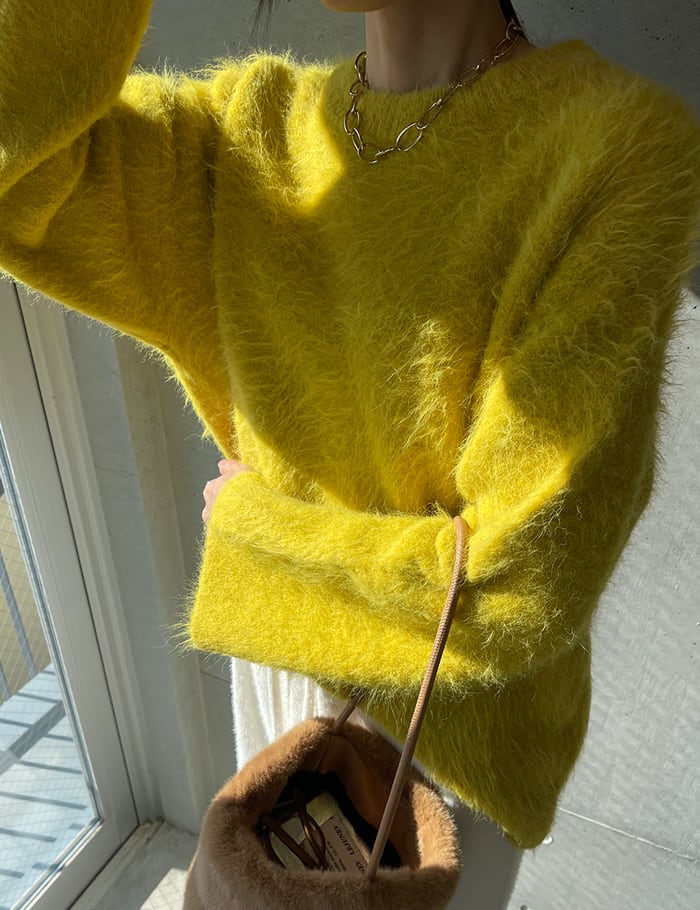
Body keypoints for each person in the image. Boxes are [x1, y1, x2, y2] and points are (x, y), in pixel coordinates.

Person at [1, 0, 698, 907]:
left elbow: (518, 584)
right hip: (281, 666)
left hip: (451, 738)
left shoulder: (613, 147)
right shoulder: (247, 133)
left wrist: (258, 538)